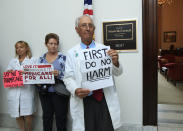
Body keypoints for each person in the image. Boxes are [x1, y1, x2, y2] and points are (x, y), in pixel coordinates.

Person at [63, 15, 123, 131]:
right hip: (84, 100)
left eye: (90, 25)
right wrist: (76, 90)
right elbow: (68, 77)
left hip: (104, 100)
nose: (87, 28)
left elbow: (118, 72)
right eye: (83, 25)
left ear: (94, 29)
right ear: (77, 30)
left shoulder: (105, 50)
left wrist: (115, 62)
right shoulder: (71, 53)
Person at [38, 33, 69, 131]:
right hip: (45, 92)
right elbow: (36, 75)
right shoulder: (41, 59)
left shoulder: (63, 58)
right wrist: (36, 81)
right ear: (46, 44)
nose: (53, 46)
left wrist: (59, 73)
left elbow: (70, 75)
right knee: (46, 117)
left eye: (55, 43)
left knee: (61, 117)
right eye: (50, 43)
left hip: (60, 92)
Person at [6, 41, 37, 131]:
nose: (19, 49)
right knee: (17, 112)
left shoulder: (32, 60)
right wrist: (11, 72)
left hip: (27, 90)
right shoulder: (13, 61)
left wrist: (25, 73)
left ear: (26, 48)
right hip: (14, 90)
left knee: (28, 113)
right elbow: (7, 73)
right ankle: (22, 130)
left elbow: (36, 74)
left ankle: (28, 130)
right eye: (17, 47)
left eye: (21, 47)